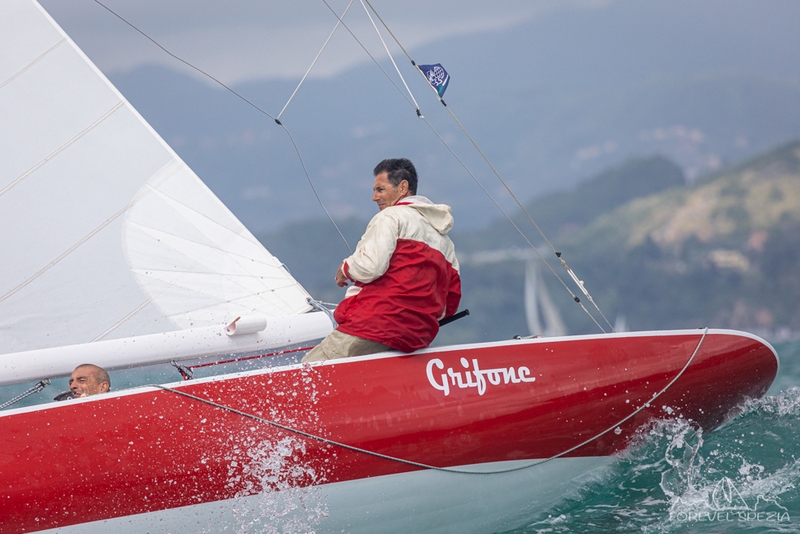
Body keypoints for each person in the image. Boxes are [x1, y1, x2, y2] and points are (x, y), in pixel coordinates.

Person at [303, 158, 461, 362]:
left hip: (373, 325)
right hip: (416, 338)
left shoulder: (390, 217)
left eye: (380, 189)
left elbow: (371, 266)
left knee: (308, 375)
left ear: (403, 187)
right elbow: (451, 303)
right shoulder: (444, 240)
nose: (373, 197)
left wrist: (345, 268)